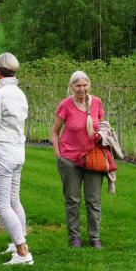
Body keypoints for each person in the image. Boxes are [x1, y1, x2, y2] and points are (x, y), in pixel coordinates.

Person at [0, 52, 33, 265]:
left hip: (2, 150)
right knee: (14, 200)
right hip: (18, 149)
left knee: (2, 204)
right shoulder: (19, 93)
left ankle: (23, 252)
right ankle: (16, 242)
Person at [50, 70, 106, 248]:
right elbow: (54, 131)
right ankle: (74, 238)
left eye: (84, 85)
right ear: (71, 87)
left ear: (89, 85)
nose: (82, 89)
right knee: (73, 200)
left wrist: (103, 139)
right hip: (70, 160)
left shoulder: (96, 102)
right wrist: (58, 153)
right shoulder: (65, 105)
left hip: (93, 158)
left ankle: (94, 238)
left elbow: (103, 126)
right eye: (78, 85)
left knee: (93, 201)